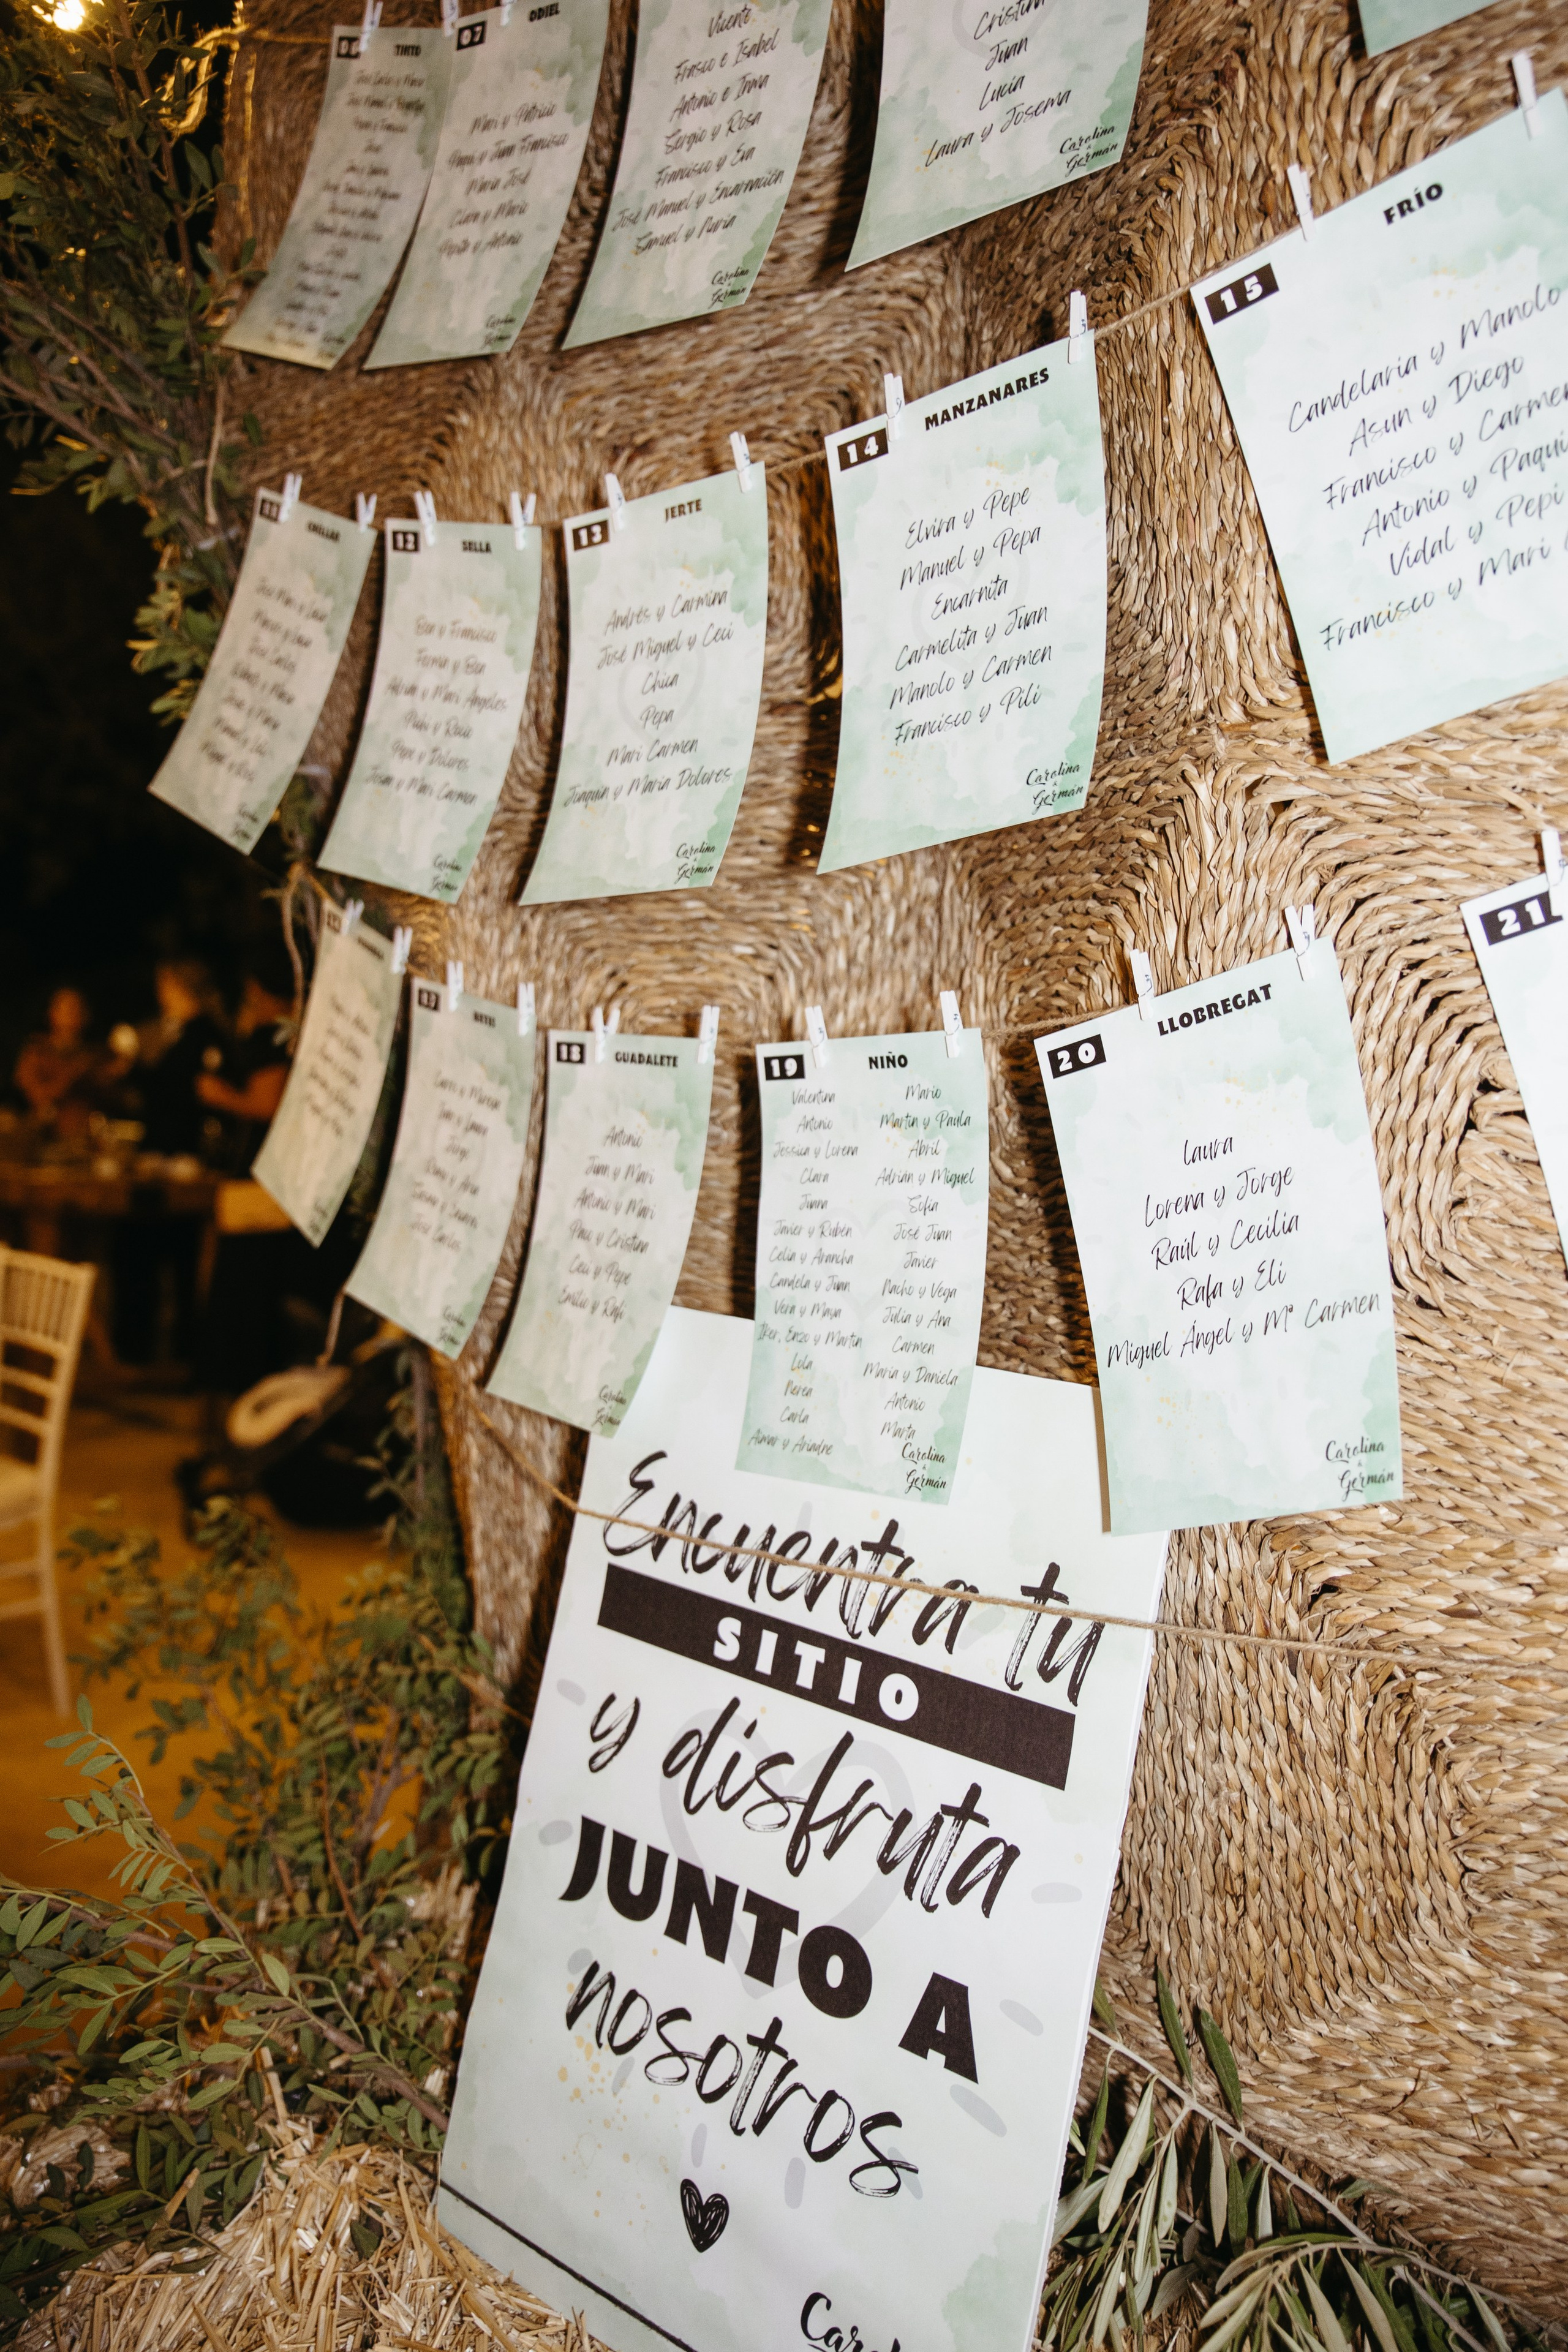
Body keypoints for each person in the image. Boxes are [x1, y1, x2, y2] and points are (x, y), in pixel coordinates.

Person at [195, 967, 293, 1175]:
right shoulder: (295, 1033)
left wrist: (220, 1095)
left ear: (256, 990)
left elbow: (267, 1106)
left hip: (261, 1162)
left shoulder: (272, 1037)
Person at [13, 987, 105, 1142]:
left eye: (78, 1008)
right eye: (68, 1008)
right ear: (52, 1014)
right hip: (46, 1138)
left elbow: (111, 1096)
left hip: (88, 1139)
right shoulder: (37, 1052)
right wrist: (74, 1074)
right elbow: (36, 1094)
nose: (74, 1014)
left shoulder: (95, 1055)